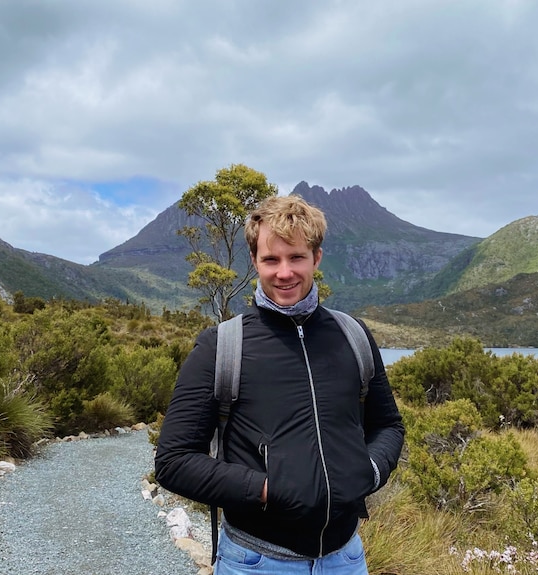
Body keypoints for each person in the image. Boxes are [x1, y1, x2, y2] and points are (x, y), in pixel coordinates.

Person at [154, 195, 406, 574]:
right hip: (256, 561)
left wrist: (369, 470)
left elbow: (388, 425)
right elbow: (174, 461)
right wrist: (267, 490)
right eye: (271, 260)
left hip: (346, 558)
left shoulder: (352, 335)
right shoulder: (221, 346)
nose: (284, 272)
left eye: (296, 257)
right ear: (255, 262)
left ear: (316, 258)